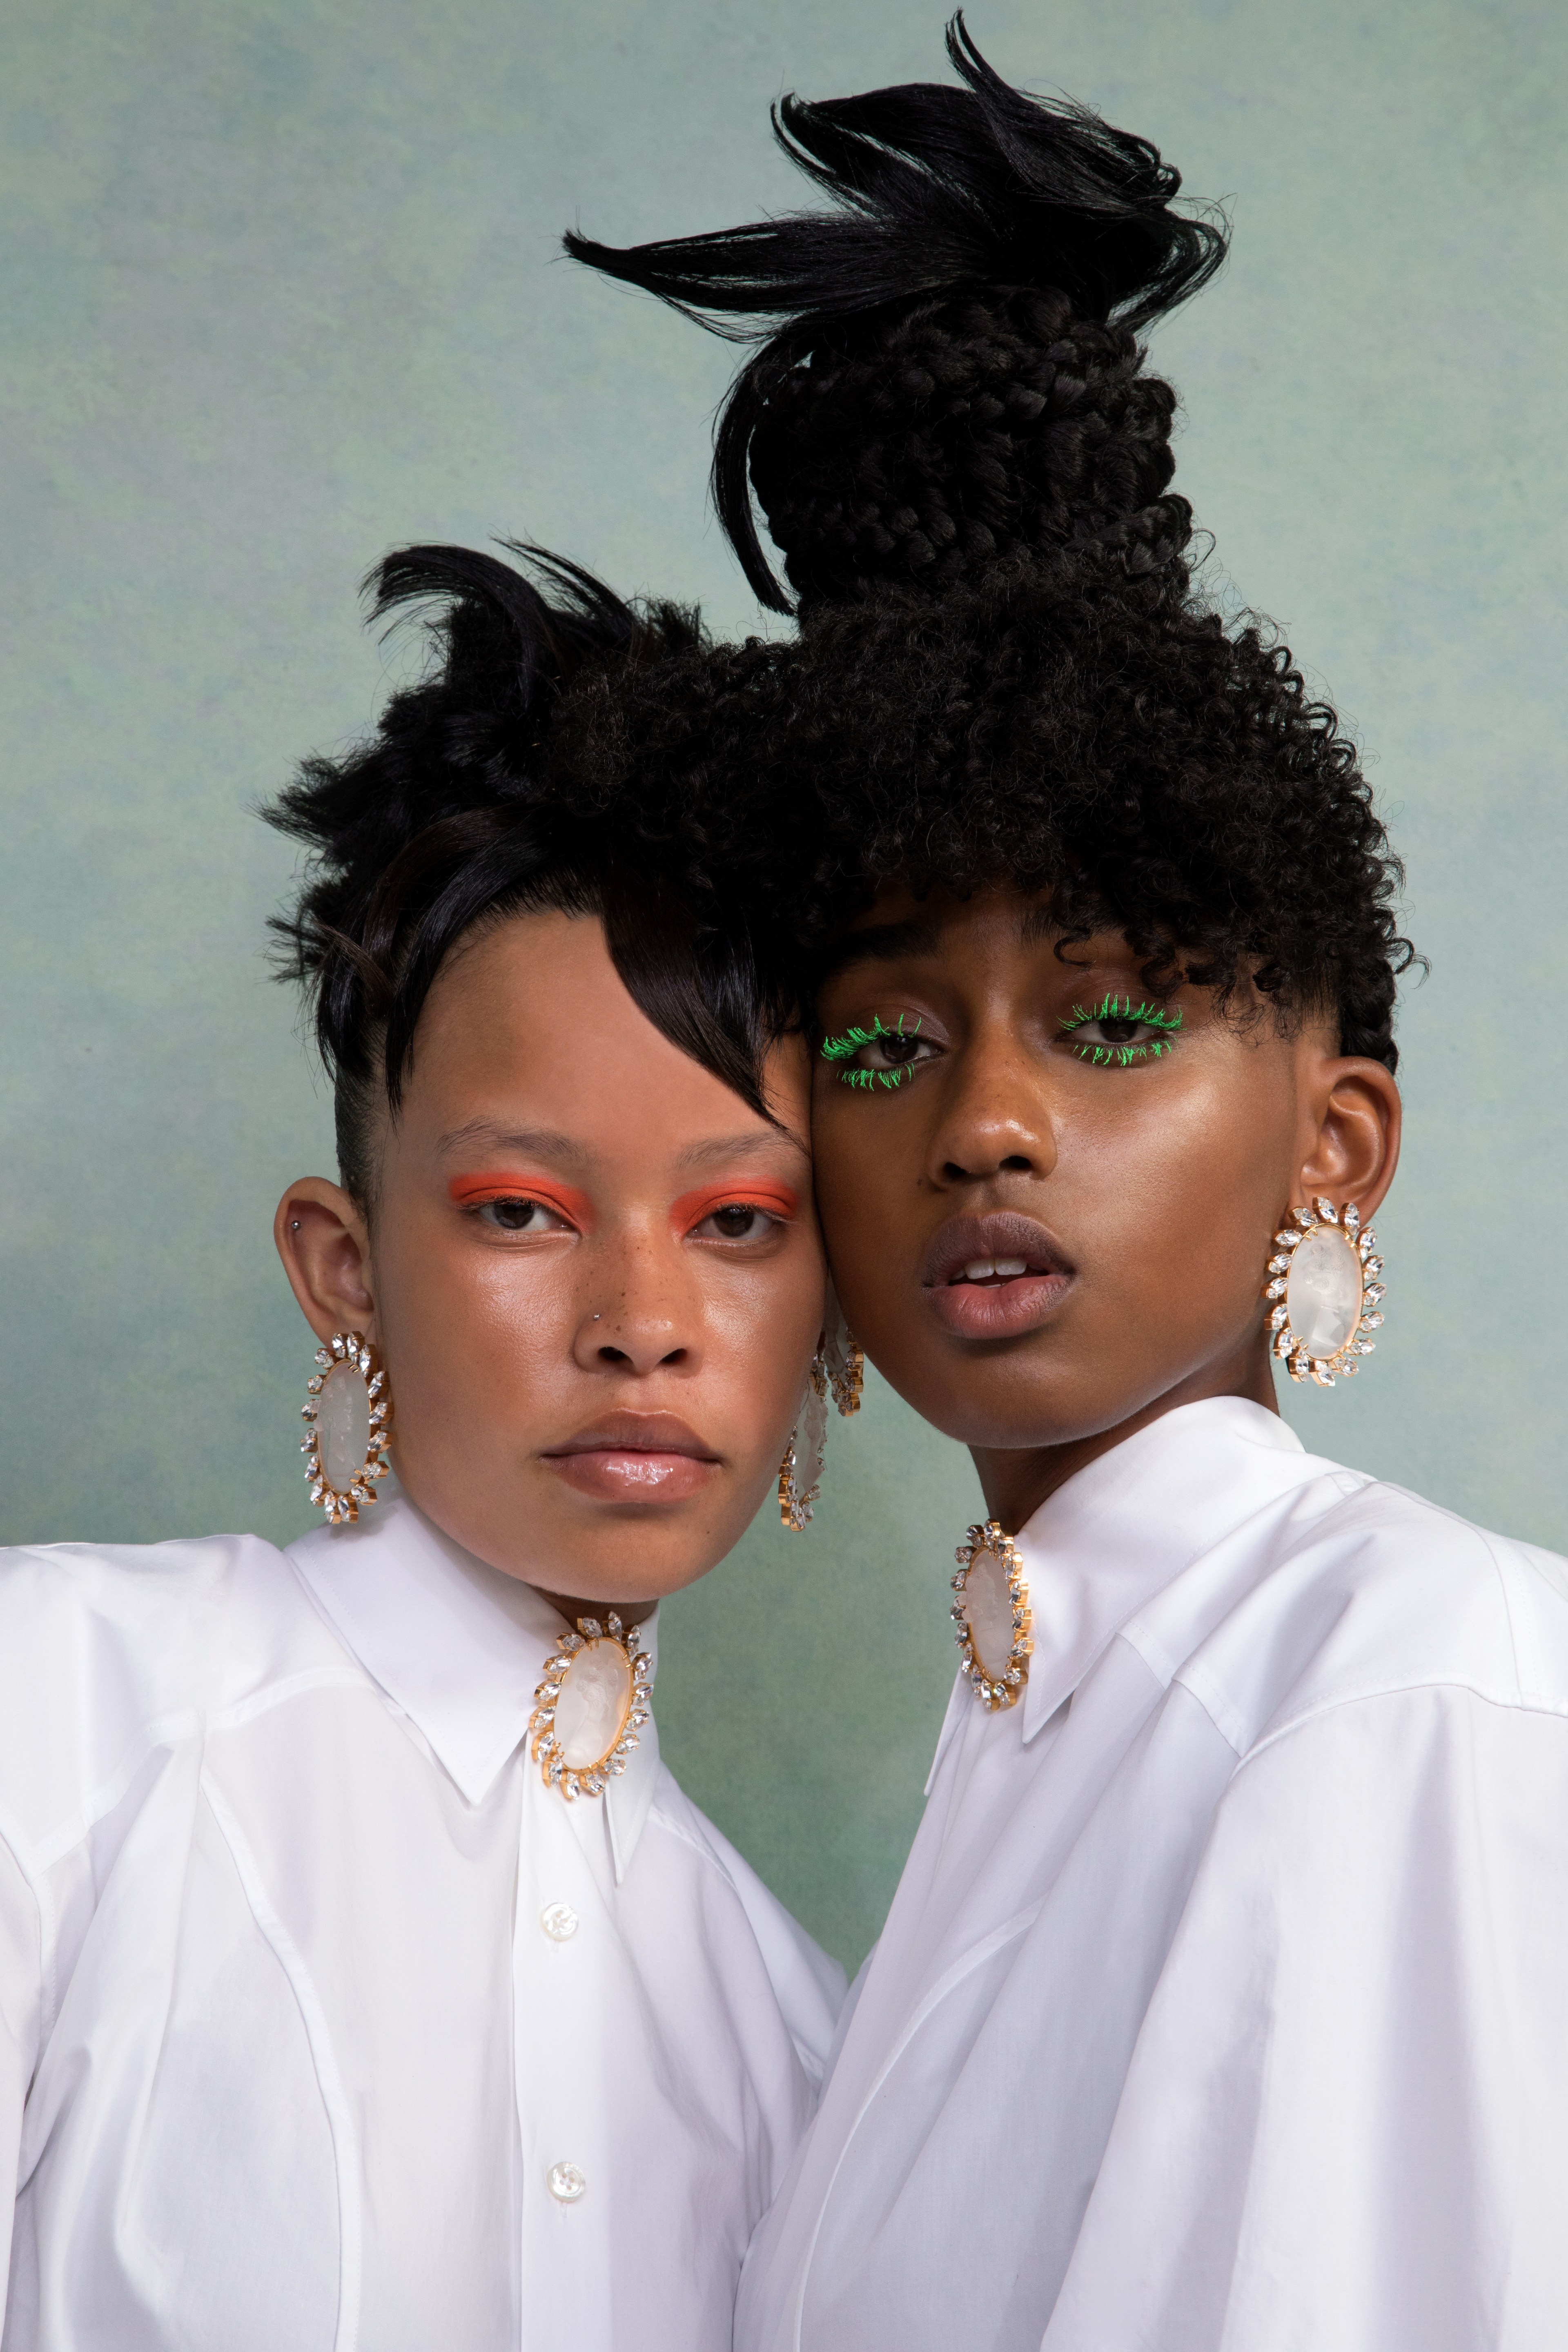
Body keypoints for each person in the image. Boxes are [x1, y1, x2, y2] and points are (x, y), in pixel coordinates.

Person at [554, 22, 1568, 2348]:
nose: (984, 1124)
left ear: (1336, 1142)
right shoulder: (1039, 1737)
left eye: (1113, 1025)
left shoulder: (1406, 1702)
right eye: (884, 1044)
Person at [0, 544, 846, 2352]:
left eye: (741, 1223)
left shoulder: (807, 2047)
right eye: (523, 1209)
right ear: (346, 1266)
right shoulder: (60, 1715)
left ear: (831, 1314)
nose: (641, 1319)